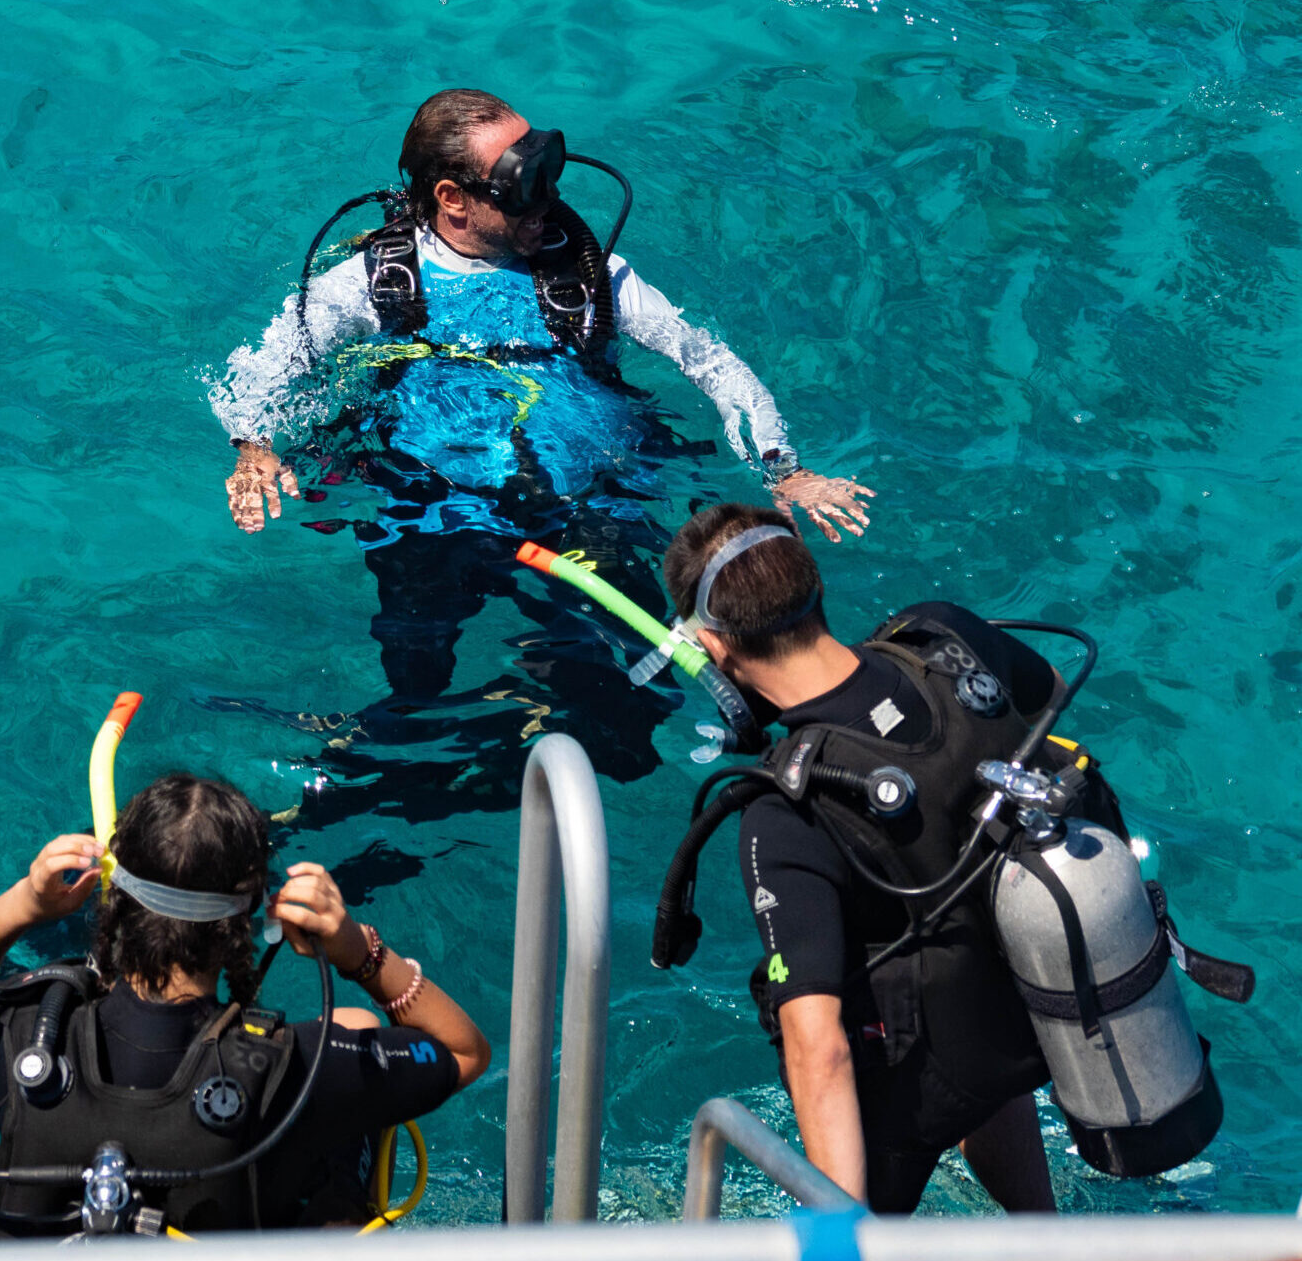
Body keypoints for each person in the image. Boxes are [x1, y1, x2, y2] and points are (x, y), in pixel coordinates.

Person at [211, 88, 874, 820]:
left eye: (552, 171)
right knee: (416, 692)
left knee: (632, 722)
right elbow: (265, 369)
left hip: (588, 511)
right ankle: (448, 749)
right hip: (430, 512)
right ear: (452, 200)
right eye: (525, 186)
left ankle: (514, 719)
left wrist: (785, 467)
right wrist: (254, 449)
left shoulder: (591, 273)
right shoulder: (372, 284)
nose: (549, 201)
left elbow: (709, 362)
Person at [659, 503, 1058, 1213]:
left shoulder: (785, 811)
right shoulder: (945, 634)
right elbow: (1044, 693)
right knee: (966, 1001)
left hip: (913, 1090)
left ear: (716, 653)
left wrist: (843, 1235)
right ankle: (1046, 1235)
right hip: (1019, 1009)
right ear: (811, 580)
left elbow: (819, 1049)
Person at [0, 773, 491, 1238]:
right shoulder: (294, 1070)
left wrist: (25, 903)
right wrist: (358, 950)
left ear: (114, 900)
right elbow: (464, 1051)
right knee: (357, 1029)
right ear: (250, 920)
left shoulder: (20, 1032)